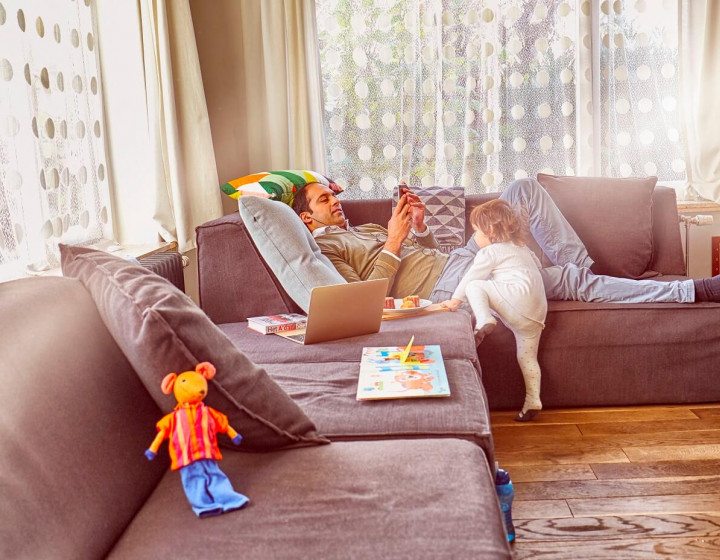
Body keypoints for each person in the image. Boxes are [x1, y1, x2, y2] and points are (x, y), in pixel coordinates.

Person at [291, 177, 720, 309]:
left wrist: (417, 228)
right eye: (325, 200)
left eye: (335, 195)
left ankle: (588, 275)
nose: (337, 203)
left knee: (523, 190)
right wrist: (394, 243)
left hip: (454, 262)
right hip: (447, 289)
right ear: (306, 217)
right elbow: (358, 303)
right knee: (565, 279)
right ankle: (694, 290)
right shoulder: (325, 249)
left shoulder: (361, 230)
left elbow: (433, 252)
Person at [440, 199, 547, 422]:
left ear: (489, 231)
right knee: (527, 357)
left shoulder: (490, 252)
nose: (475, 236)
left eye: (477, 231)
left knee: (475, 286)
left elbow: (472, 277)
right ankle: (533, 399)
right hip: (536, 314)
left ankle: (484, 319)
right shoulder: (522, 247)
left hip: (516, 305)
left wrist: (455, 300)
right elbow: (538, 266)